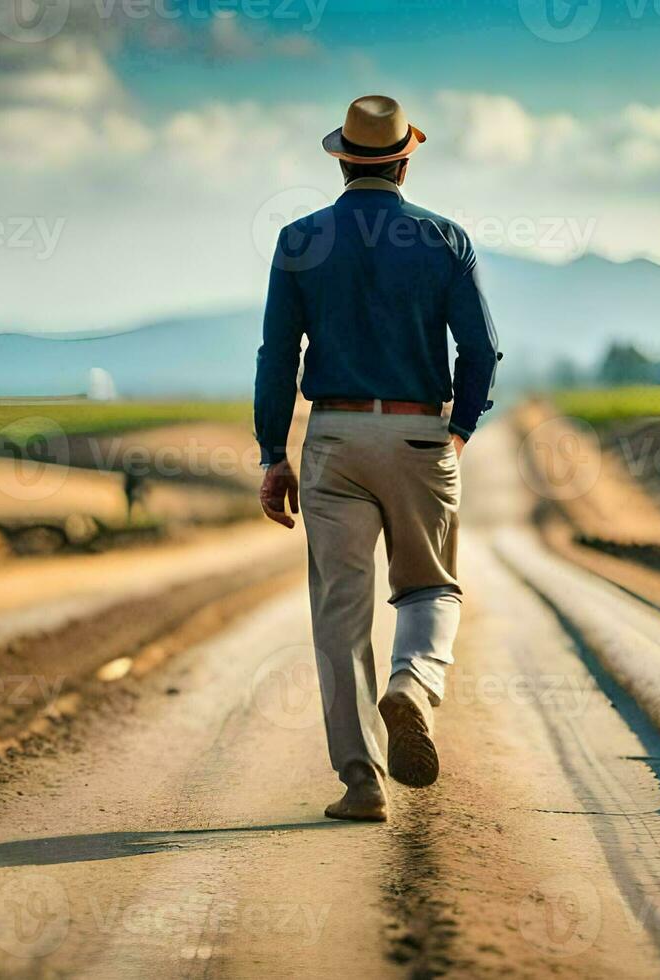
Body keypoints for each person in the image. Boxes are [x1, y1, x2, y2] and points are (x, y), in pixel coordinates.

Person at [253, 95, 502, 822]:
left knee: (340, 613)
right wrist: (458, 428)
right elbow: (481, 350)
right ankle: (413, 686)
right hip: (420, 431)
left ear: (341, 160)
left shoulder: (299, 240)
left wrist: (273, 453)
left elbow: (277, 355)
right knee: (431, 588)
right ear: (403, 159)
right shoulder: (445, 239)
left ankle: (361, 781)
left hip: (332, 437)